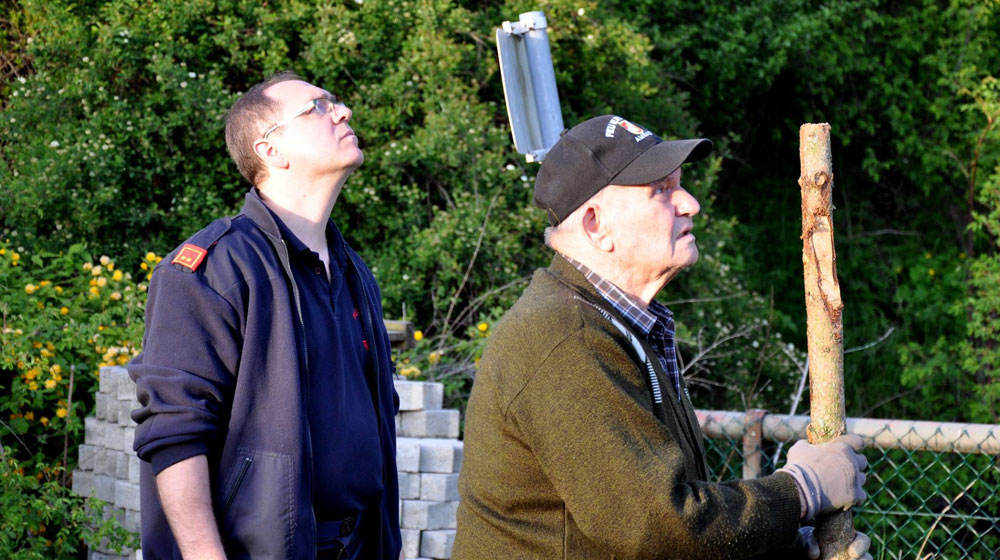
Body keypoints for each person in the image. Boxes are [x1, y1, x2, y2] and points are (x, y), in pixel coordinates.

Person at [453, 115, 872, 559]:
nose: (689, 203)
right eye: (661, 190)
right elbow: (658, 526)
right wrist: (801, 491)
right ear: (596, 225)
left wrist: (793, 553)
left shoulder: (616, 325)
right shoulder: (563, 338)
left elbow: (664, 525)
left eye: (680, 186)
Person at [129, 71, 402, 559]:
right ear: (270, 151)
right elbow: (174, 434)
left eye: (334, 102)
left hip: (360, 545)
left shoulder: (355, 274)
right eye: (317, 107)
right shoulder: (212, 269)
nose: (342, 112)